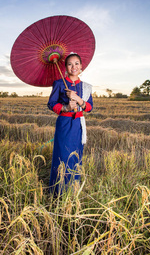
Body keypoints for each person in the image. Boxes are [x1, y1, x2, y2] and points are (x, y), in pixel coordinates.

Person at [47, 53, 93, 195]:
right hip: (65, 123)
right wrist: (66, 107)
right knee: (63, 154)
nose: (74, 67)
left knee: (76, 155)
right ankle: (58, 191)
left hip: (78, 125)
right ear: (65, 67)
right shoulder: (59, 83)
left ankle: (73, 189)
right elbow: (51, 104)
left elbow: (89, 107)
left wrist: (77, 99)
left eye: (77, 63)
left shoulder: (85, 87)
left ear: (81, 66)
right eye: (70, 64)